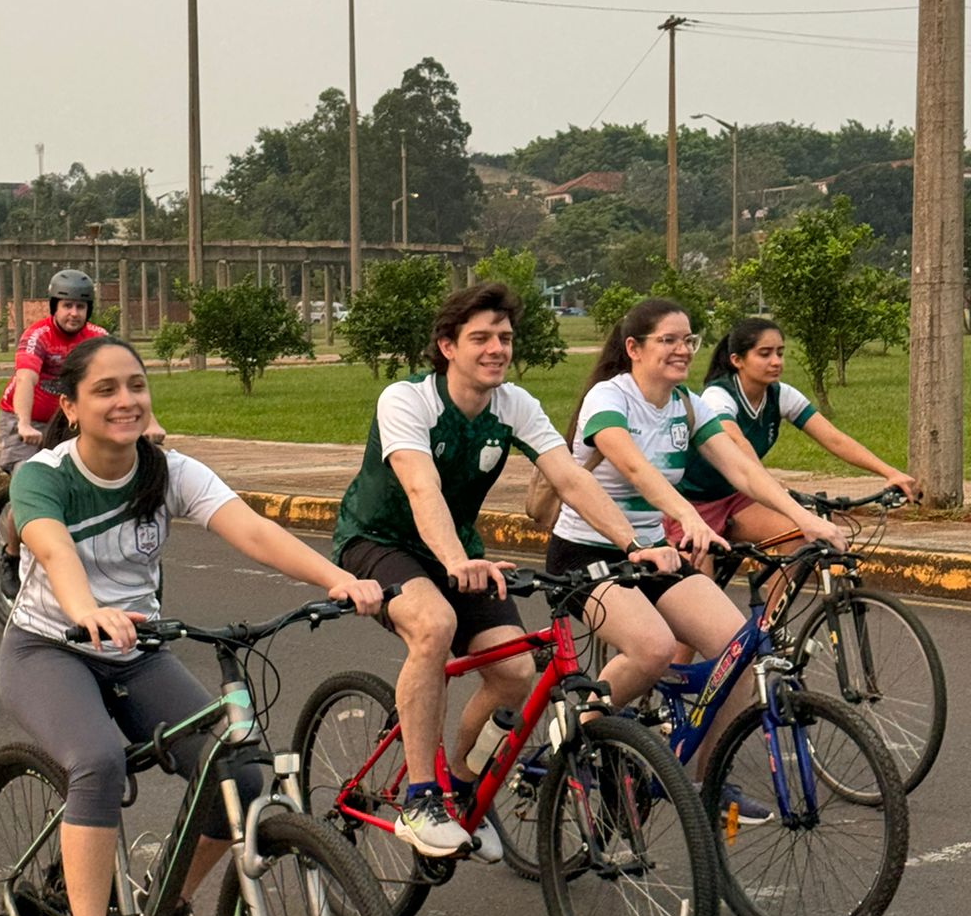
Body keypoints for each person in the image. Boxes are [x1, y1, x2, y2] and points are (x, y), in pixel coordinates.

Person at [0, 336, 382, 916]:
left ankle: (169, 904)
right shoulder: (45, 475)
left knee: (238, 771)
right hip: (48, 648)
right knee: (97, 760)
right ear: (72, 406)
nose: (127, 400)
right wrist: (87, 609)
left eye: (136, 386)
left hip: (138, 649)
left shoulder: (169, 472)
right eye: (107, 390)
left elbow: (253, 531)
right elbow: (52, 547)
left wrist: (340, 579)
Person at [333, 280, 681, 864]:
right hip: (380, 541)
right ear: (447, 346)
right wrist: (454, 563)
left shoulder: (513, 403)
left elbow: (570, 479)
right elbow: (421, 487)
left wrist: (630, 544)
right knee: (434, 624)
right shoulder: (406, 399)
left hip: (457, 549)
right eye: (481, 338)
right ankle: (421, 797)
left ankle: (464, 788)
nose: (497, 348)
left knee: (517, 672)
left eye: (505, 337)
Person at [545, 297, 845, 818]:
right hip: (587, 553)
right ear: (634, 348)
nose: (682, 350)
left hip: (654, 553)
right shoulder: (608, 398)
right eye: (669, 340)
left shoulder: (687, 404)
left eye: (688, 340)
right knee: (654, 647)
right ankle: (581, 723)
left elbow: (744, 472)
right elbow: (637, 470)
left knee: (738, 654)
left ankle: (708, 782)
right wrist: (690, 517)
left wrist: (808, 521)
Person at [0, 269, 165, 599]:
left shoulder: (97, 337)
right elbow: (26, 380)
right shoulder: (37, 336)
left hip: (72, 414)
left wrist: (150, 423)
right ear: (54, 307)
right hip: (29, 417)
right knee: (25, 483)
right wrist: (24, 423)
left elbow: (126, 382)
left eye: (80, 307)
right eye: (67, 305)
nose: (73, 313)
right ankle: (11, 554)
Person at [676, 314, 917, 548]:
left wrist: (889, 472)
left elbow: (834, 438)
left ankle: (780, 592)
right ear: (737, 360)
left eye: (780, 353)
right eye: (765, 354)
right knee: (700, 581)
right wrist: (771, 486)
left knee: (798, 534)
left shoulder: (780, 394)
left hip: (737, 497)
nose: (776, 361)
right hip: (691, 502)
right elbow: (737, 443)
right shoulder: (718, 396)